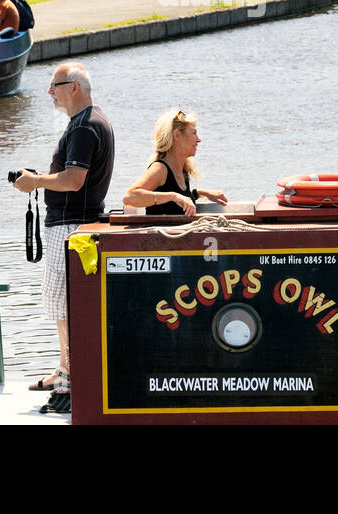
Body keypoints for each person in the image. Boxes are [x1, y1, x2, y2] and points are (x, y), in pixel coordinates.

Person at [12, 62, 114, 404]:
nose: (49, 91)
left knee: (65, 304)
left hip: (72, 227)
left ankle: (71, 379)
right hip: (80, 222)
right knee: (63, 303)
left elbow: (74, 180)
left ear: (74, 87)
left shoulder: (84, 127)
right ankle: (65, 367)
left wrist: (35, 181)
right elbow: (73, 176)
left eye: (55, 85)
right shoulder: (92, 120)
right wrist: (40, 176)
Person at [124, 109, 228, 217]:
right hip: (160, 233)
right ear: (177, 135)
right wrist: (173, 196)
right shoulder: (160, 169)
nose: (198, 140)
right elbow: (129, 197)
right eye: (194, 133)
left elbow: (177, 196)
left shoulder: (182, 170)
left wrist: (202, 193)